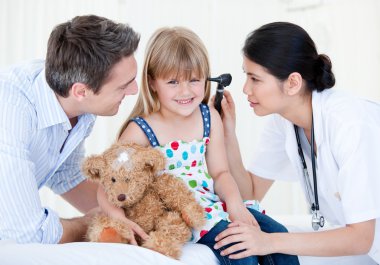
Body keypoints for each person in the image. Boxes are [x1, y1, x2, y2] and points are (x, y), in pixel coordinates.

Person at [98, 26, 300, 264]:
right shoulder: (140, 130)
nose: (185, 91)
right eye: (173, 82)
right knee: (240, 251)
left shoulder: (208, 117)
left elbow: (221, 172)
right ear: (153, 82)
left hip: (216, 204)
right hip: (183, 214)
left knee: (280, 238)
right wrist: (118, 218)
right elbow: (108, 184)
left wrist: (235, 206)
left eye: (194, 80)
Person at [213, 22, 380, 264]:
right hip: (365, 248)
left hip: (366, 243)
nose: (245, 88)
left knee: (271, 242)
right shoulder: (283, 120)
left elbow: (361, 237)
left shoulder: (350, 124)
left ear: (292, 83)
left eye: (255, 79)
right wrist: (227, 133)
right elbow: (250, 192)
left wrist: (268, 241)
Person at [0, 15, 142, 244]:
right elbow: (29, 235)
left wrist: (131, 213)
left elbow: (67, 175)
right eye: (123, 85)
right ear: (80, 91)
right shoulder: (10, 113)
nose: (134, 90)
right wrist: (89, 222)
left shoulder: (79, 104)